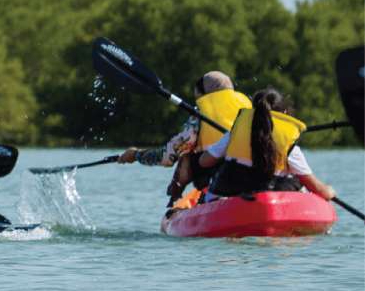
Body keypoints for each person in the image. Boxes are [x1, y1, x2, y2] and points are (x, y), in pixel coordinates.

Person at [116, 71, 251, 207]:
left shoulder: (200, 115)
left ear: (202, 93)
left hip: (219, 180)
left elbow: (167, 156)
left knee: (185, 156)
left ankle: (179, 198)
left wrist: (136, 155)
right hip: (254, 177)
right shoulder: (251, 107)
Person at [198, 87, 336, 201]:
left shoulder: (235, 132)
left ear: (253, 111)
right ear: (285, 113)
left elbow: (204, 162)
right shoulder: (289, 142)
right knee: (297, 180)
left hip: (228, 193)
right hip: (270, 197)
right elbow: (320, 190)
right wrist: (329, 191)